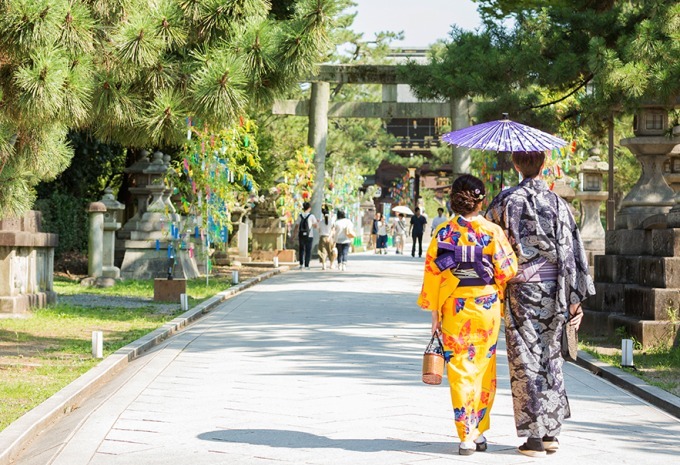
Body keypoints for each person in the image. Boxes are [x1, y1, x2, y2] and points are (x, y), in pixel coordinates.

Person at [485, 151, 595, 458]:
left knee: (525, 362)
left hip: (520, 291)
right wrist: (575, 301)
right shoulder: (558, 203)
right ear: (544, 165)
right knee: (551, 359)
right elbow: (573, 253)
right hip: (555, 291)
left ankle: (533, 437)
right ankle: (551, 435)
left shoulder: (505, 202)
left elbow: (486, 243)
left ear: (516, 165)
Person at [418, 174, 517, 456]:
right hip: (486, 306)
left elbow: (433, 275)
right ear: (481, 200)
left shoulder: (444, 233)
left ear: (454, 200)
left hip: (454, 306)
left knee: (460, 370)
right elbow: (508, 270)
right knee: (484, 368)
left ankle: (465, 436)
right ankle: (480, 430)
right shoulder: (492, 232)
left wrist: (435, 314)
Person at [293, 201, 318, 270]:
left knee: (301, 249)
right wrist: (315, 224)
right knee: (308, 250)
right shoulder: (311, 216)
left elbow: (297, 225)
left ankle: (301, 264)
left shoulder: (300, 215)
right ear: (309, 208)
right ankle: (306, 265)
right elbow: (315, 226)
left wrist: (294, 234)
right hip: (309, 235)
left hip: (301, 234)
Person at [318, 204, 337, 270]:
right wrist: (329, 237)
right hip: (330, 238)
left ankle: (324, 265)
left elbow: (319, 230)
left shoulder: (320, 222)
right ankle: (331, 265)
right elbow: (333, 230)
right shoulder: (331, 222)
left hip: (322, 237)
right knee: (330, 251)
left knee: (323, 252)